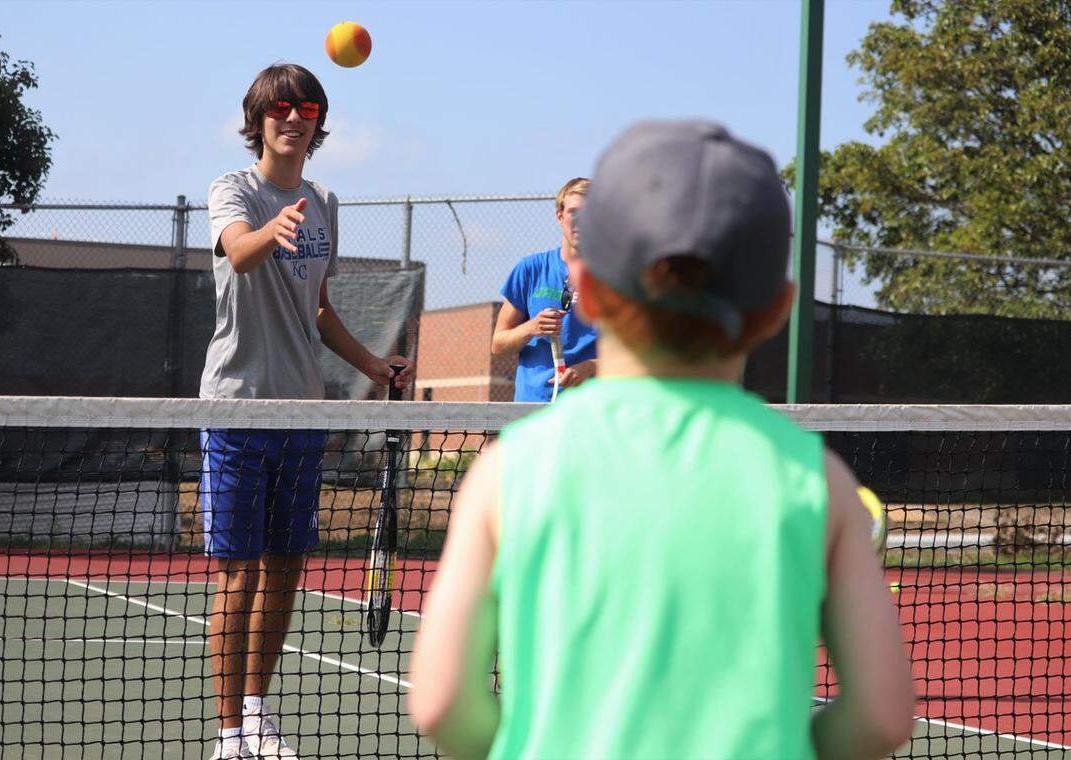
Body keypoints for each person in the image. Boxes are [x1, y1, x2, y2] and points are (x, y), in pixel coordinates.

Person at [409, 121, 914, 759]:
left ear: (588, 291)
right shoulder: (819, 480)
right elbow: (883, 717)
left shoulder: (508, 472)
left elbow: (441, 703)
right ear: (778, 309)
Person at [201, 63, 414, 760]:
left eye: (309, 107)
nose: (295, 117)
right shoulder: (234, 190)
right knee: (240, 573)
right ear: (259, 117)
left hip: (302, 413)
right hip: (237, 408)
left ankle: (257, 715)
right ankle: (229, 737)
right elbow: (238, 254)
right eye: (282, 107)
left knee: (288, 566)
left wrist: (374, 367)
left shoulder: (325, 199)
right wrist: (274, 230)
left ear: (319, 122)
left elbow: (319, 310)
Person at [491, 177, 598, 402]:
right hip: (533, 410)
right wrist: (531, 328)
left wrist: (591, 367)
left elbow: (637, 355)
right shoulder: (530, 269)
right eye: (574, 213)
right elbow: (498, 345)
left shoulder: (616, 276)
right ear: (560, 216)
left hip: (591, 412)